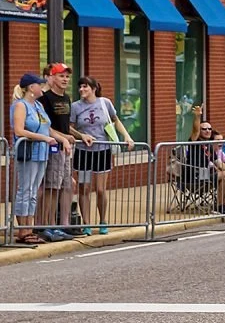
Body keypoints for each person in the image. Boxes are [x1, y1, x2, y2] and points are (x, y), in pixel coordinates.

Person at [69, 76, 135, 236]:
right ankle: (86, 223)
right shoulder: (75, 107)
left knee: (100, 189)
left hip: (102, 150)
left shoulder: (104, 103)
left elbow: (115, 120)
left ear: (93, 88)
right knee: (84, 188)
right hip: (83, 152)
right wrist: (81, 135)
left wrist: (127, 136)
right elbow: (69, 128)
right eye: (80, 87)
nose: (82, 90)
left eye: (85, 87)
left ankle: (103, 220)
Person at [10, 73, 57, 244]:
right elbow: (19, 130)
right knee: (25, 190)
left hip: (41, 154)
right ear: (31, 88)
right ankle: (22, 230)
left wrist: (63, 138)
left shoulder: (38, 105)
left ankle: (29, 229)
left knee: (33, 193)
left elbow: (48, 128)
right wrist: (43, 138)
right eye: (39, 84)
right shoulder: (20, 105)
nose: (42, 87)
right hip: (27, 153)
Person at [38, 63, 77, 242]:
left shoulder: (67, 98)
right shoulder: (45, 99)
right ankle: (48, 225)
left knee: (66, 185)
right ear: (51, 77)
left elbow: (65, 125)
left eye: (67, 76)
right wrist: (63, 138)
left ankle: (62, 225)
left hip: (66, 148)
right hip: (53, 147)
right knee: (51, 187)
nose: (65, 79)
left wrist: (80, 135)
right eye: (61, 76)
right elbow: (46, 127)